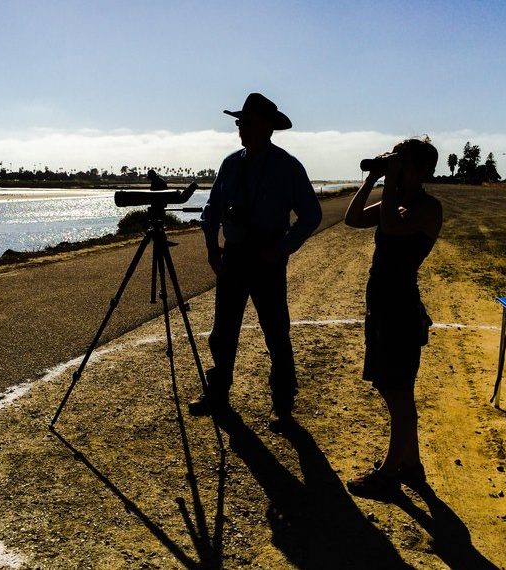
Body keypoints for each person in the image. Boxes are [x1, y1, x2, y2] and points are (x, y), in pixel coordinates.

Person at [188, 93, 322, 432]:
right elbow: (211, 211)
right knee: (222, 331)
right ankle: (217, 393)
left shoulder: (287, 166)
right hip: (233, 256)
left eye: (247, 123)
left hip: (267, 258)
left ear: (267, 128)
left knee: (276, 332)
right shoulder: (231, 164)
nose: (241, 130)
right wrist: (212, 249)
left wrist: (282, 248)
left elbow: (311, 215)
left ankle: (283, 404)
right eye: (239, 123)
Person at [343, 137, 443, 496]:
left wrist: (391, 182)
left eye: (401, 160)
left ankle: (389, 475)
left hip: (400, 307)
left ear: (417, 169)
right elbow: (352, 219)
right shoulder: (396, 200)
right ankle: (411, 464)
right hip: (383, 304)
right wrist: (373, 179)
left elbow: (389, 227)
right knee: (393, 387)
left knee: (398, 391)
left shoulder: (428, 207)